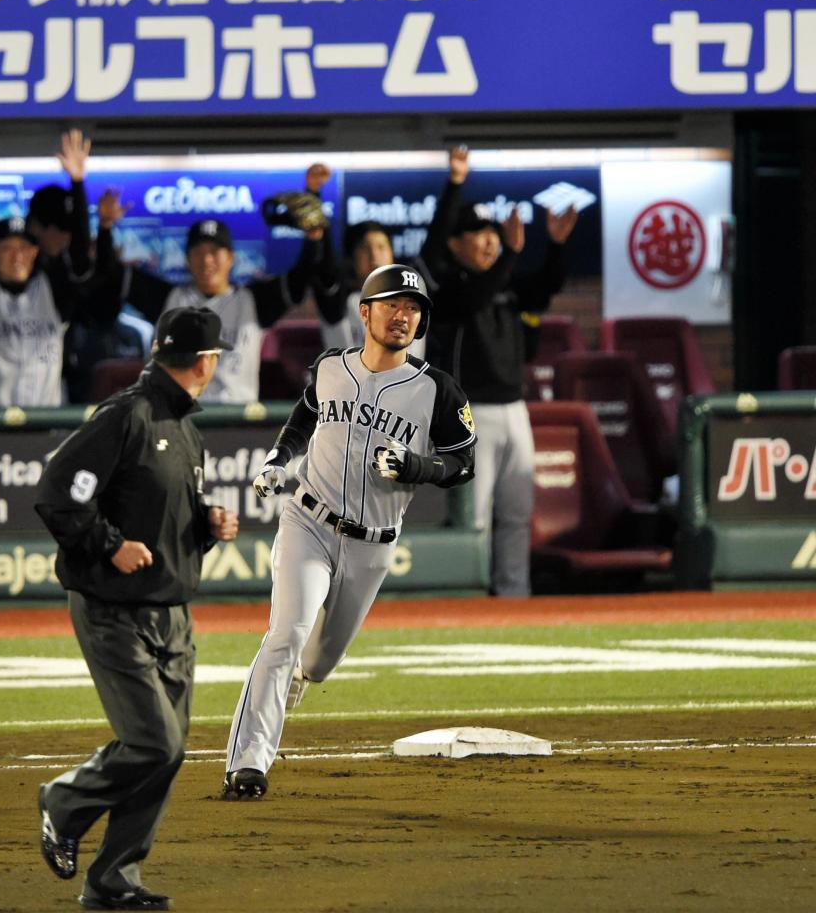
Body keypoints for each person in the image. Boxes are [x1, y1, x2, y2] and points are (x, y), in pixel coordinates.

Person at [223, 263, 476, 800]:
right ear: (365, 312)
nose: (403, 315)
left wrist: (417, 467)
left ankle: (300, 676)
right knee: (285, 634)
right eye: (392, 305)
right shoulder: (330, 366)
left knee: (317, 662)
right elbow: (303, 418)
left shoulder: (437, 389)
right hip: (308, 523)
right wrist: (279, 458)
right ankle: (247, 764)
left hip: (372, 545)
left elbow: (463, 464)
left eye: (413, 308)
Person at [34, 306, 240, 911]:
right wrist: (108, 546)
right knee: (155, 744)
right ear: (205, 361)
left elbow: (162, 512)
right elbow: (57, 493)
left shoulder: (185, 428)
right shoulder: (127, 415)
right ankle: (65, 802)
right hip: (113, 609)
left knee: (165, 754)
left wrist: (206, 525)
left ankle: (113, 878)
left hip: (171, 613)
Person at [420, 146, 578, 598]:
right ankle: (468, 599)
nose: (489, 241)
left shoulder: (506, 281)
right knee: (473, 517)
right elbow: (473, 296)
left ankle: (514, 597)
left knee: (516, 513)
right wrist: (455, 184)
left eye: (492, 233)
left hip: (514, 409)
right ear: (456, 244)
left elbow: (545, 288)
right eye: (477, 234)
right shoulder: (446, 285)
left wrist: (556, 246)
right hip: (469, 415)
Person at [97, 164, 335, 404]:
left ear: (230, 258)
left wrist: (313, 224)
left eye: (214, 251)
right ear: (187, 259)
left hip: (236, 420)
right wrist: (105, 228)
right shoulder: (167, 298)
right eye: (198, 252)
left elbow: (301, 277)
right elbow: (111, 274)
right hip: (176, 418)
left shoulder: (252, 301)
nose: (207, 260)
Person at [0, 120, 106, 407]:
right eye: (6, 249)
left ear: (35, 253)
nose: (17, 256)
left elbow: (79, 255)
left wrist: (78, 183)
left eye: (24, 249)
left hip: (47, 425)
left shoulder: (53, 292)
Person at [312, 220, 426, 359]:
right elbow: (326, 273)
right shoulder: (339, 303)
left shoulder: (415, 296)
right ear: (351, 258)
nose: (374, 255)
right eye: (365, 248)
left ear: (392, 255)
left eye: (381, 247)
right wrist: (321, 232)